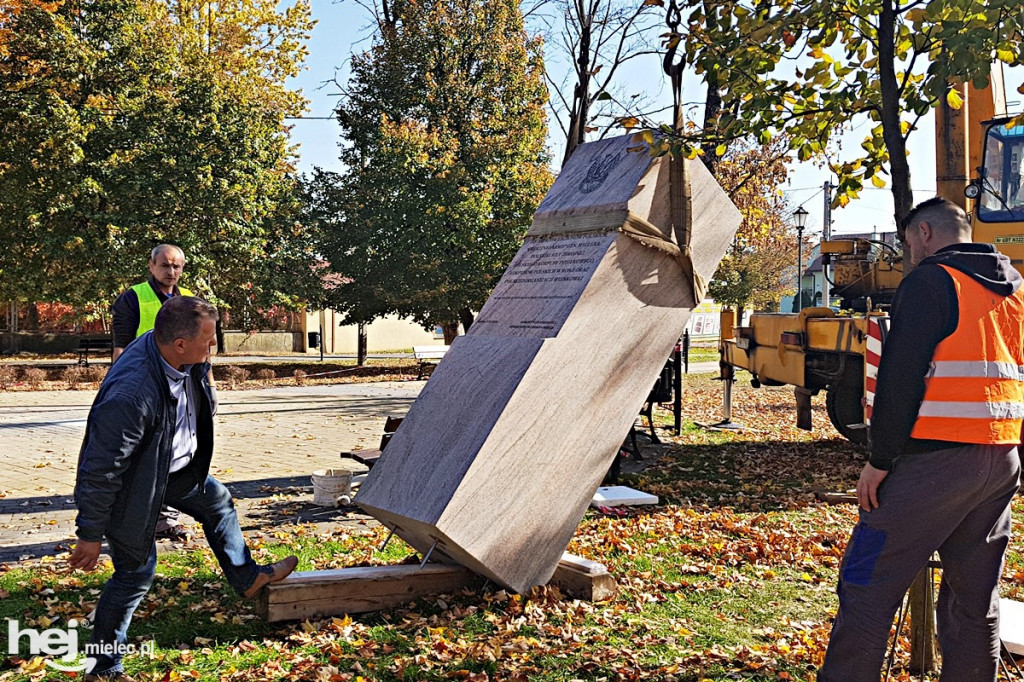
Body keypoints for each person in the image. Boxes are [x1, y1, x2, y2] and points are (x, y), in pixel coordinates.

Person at [819, 197, 1024, 681]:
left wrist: (880, 459)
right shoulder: (1014, 292)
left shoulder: (931, 281)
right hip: (1000, 460)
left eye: (909, 240)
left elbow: (901, 378)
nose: (908, 250)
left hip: (933, 462)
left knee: (867, 586)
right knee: (974, 601)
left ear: (926, 234)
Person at [70, 297, 297, 682]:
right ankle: (103, 667)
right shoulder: (132, 393)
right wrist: (89, 534)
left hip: (173, 470)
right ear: (178, 344)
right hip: (132, 488)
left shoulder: (178, 355)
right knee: (134, 574)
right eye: (208, 340)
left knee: (218, 503)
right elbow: (101, 469)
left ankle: (247, 577)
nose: (213, 348)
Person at [111, 244, 208, 540]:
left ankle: (164, 518)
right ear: (151, 266)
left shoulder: (189, 300)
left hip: (181, 387)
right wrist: (117, 386)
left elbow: (203, 347)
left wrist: (209, 387)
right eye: (165, 265)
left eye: (177, 266)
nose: (171, 272)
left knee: (175, 452)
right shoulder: (133, 298)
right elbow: (120, 345)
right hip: (144, 388)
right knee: (142, 454)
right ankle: (136, 516)